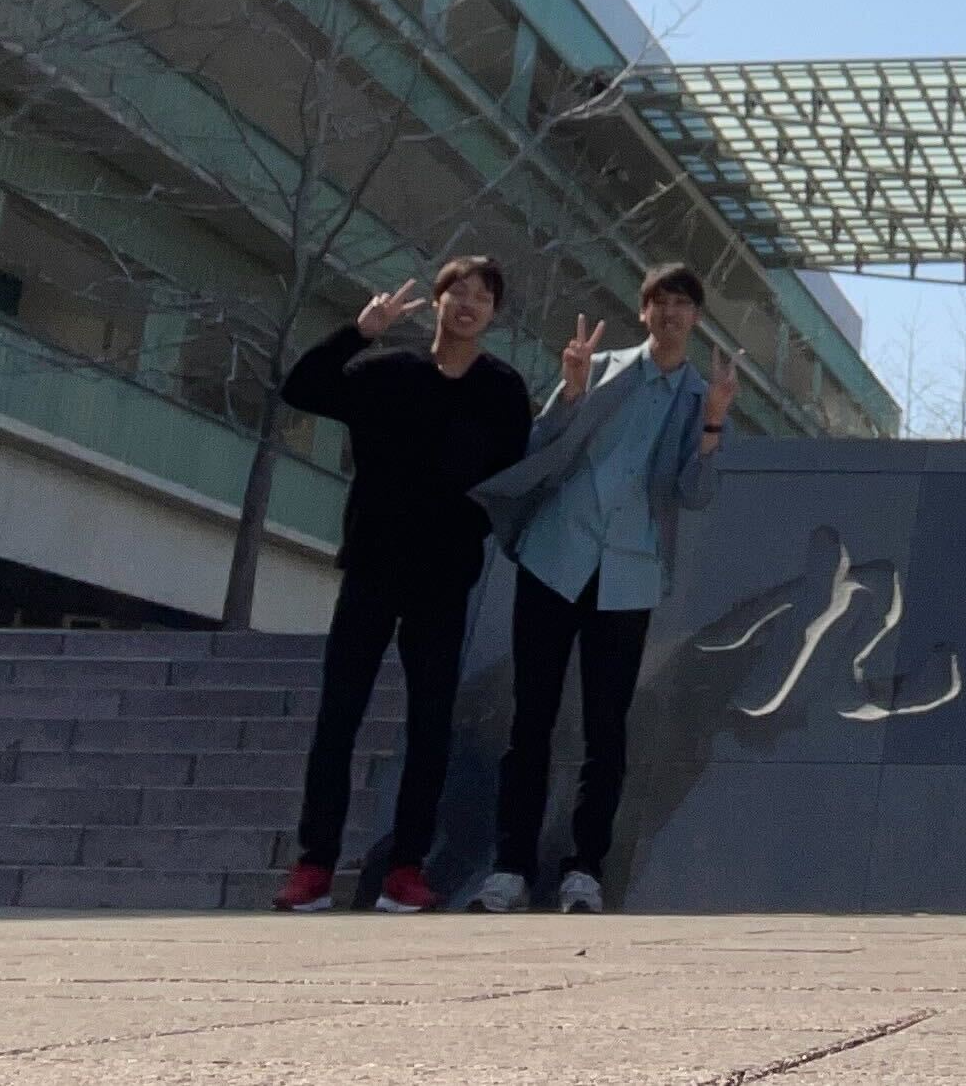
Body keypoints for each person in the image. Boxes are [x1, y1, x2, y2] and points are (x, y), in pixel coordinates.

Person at [469, 262, 739, 915]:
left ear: (696, 318)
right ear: (642, 311)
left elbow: (696, 494)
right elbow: (541, 442)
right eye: (660, 301)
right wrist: (569, 391)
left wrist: (713, 423)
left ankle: (584, 869)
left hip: (629, 574)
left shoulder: (698, 395)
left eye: (683, 303)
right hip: (556, 555)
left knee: (606, 727)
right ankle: (509, 867)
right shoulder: (599, 367)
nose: (670, 313)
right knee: (530, 718)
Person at [271, 256, 533, 914]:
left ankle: (407, 868)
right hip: (373, 564)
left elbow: (513, 480)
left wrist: (467, 526)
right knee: (339, 715)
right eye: (457, 291)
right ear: (437, 302)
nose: (468, 303)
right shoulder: (387, 371)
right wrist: (359, 332)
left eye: (482, 296)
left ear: (494, 313)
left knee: (430, 723)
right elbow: (301, 389)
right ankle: (314, 865)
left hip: (444, 577)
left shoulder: (502, 389)